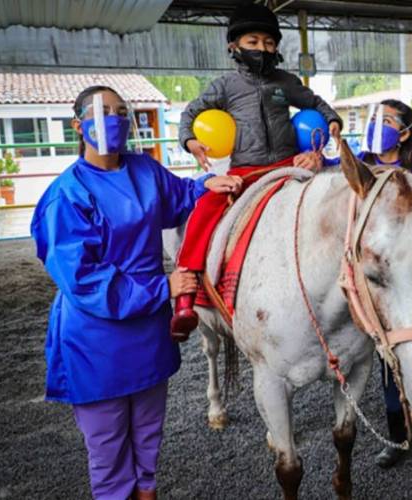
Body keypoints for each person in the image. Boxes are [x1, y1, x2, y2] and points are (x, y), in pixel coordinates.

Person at [30, 86, 239, 499]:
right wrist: (164, 286)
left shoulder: (144, 169)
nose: (115, 118)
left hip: (148, 336)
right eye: (103, 111)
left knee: (148, 447)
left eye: (121, 111)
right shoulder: (66, 196)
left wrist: (208, 184)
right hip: (97, 342)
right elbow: (84, 281)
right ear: (78, 125)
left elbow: (181, 198)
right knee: (108, 456)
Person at [172, 2, 343, 339]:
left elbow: (316, 103)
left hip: (287, 164)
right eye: (253, 42)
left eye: (268, 43)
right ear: (234, 46)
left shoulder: (285, 81)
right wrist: (189, 140)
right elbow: (190, 114)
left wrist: (332, 122)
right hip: (245, 171)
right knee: (205, 208)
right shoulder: (224, 86)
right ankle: (188, 297)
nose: (261, 49)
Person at [328, 99, 412, 484]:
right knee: (390, 369)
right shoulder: (359, 170)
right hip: (390, 291)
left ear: (404, 132)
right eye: (374, 118)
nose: (375, 125)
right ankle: (399, 438)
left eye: (385, 120)